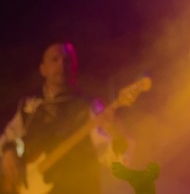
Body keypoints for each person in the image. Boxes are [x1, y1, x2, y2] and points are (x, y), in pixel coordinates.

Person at [0, 42, 126, 194]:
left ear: (74, 67)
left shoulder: (90, 106)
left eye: (67, 60)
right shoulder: (30, 106)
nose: (61, 64)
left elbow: (112, 155)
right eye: (54, 59)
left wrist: (116, 135)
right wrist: (8, 152)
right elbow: (8, 137)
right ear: (43, 69)